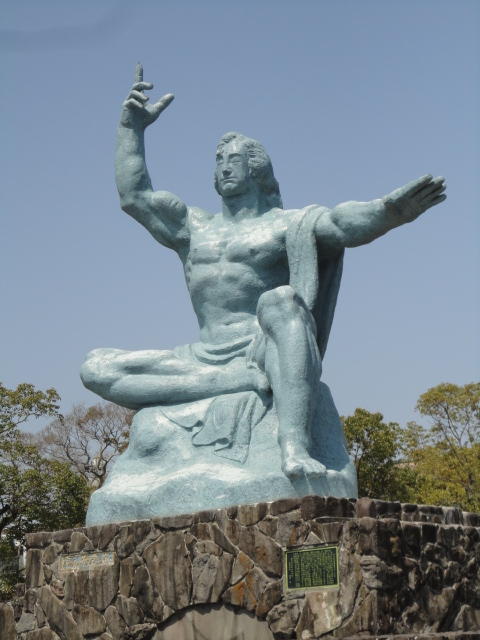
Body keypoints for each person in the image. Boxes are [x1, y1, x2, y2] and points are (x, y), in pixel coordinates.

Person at [81, 65, 446, 479]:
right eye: (218, 160)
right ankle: (233, 381)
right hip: (202, 358)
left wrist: (389, 212)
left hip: (261, 348)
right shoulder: (192, 227)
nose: (224, 167)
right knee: (96, 367)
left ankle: (293, 446)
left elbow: (341, 223)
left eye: (234, 159)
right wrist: (131, 129)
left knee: (281, 300)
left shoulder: (287, 225)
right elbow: (135, 197)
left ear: (256, 169)